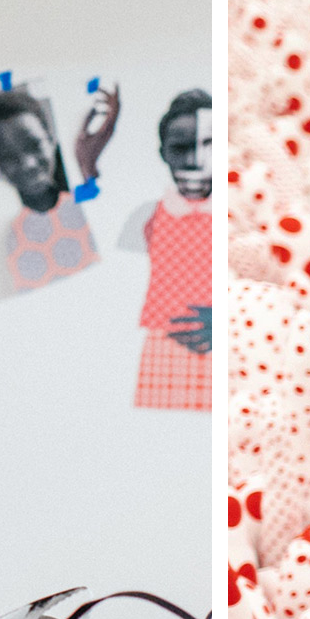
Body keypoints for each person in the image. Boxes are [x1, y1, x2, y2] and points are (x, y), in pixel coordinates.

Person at [0, 85, 119, 293]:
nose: (28, 164)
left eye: (34, 145)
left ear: (51, 139)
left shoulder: (90, 204)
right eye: (8, 157)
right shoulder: (9, 240)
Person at [121, 89, 213, 410]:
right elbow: (117, 295)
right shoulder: (146, 219)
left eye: (207, 145)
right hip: (165, 351)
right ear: (163, 153)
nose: (194, 160)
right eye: (180, 148)